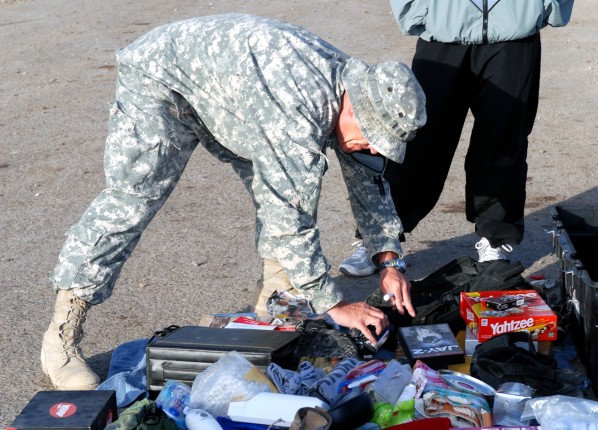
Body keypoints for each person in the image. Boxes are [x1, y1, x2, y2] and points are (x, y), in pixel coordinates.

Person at [41, 13, 426, 391]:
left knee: (287, 183)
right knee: (133, 198)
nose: (373, 148)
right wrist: (333, 303)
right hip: (162, 78)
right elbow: (288, 214)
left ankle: (278, 311)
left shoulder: (354, 92)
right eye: (371, 136)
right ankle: (61, 336)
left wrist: (389, 261)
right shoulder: (298, 106)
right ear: (355, 105)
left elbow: (367, 181)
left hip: (235, 94)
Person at [339, 0, 574, 276]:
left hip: (515, 32)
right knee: (417, 142)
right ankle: (379, 240)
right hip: (443, 28)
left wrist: (546, 6)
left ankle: (494, 238)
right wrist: (419, 11)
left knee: (504, 142)